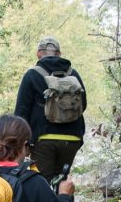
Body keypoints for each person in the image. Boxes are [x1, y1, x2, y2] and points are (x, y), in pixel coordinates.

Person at [13, 35, 87, 180]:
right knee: (61, 181)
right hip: (72, 138)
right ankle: (65, 201)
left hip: (44, 139)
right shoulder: (73, 74)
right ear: (59, 54)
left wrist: (21, 143)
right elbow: (83, 105)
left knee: (43, 185)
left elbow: (21, 113)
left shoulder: (32, 75)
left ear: (38, 54)